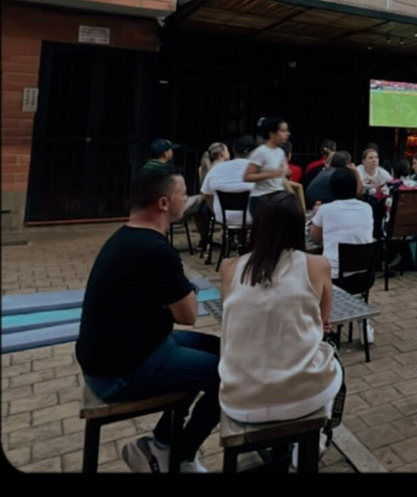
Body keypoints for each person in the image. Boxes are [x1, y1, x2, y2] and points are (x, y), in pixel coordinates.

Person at [76, 166, 219, 473]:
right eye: (183, 194)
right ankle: (179, 455)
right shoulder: (156, 251)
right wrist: (186, 286)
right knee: (230, 375)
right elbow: (189, 315)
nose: (187, 200)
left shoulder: (125, 237)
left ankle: (160, 443)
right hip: (121, 372)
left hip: (124, 352)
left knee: (221, 352)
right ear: (164, 203)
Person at [219, 191, 343, 446]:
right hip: (304, 395)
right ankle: (319, 437)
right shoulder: (317, 265)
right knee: (334, 358)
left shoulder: (230, 267)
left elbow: (232, 317)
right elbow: (322, 323)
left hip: (238, 397)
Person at [310, 168, 375, 280]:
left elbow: (315, 237)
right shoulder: (366, 208)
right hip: (365, 274)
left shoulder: (325, 209)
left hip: (334, 275)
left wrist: (317, 216)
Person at [200, 135, 257, 239]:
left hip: (224, 217)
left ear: (233, 150)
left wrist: (216, 211)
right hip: (253, 217)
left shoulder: (216, 169)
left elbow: (206, 195)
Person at [243, 117, 291, 218]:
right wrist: (270, 174)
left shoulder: (280, 152)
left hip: (277, 196)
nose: (287, 134)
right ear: (272, 134)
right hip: (262, 198)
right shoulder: (261, 152)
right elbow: (247, 176)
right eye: (282, 131)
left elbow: (282, 175)